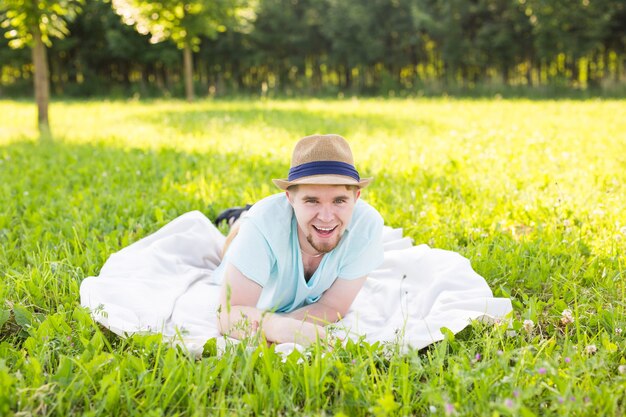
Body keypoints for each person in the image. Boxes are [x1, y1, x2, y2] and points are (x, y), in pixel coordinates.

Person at [215, 134, 384, 346]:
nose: (326, 216)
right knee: (241, 230)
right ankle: (238, 217)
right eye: (311, 200)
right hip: (252, 231)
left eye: (339, 200)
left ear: (356, 198)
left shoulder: (367, 225)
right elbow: (228, 314)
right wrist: (279, 328)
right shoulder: (262, 224)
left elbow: (333, 306)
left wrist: (292, 327)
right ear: (290, 198)